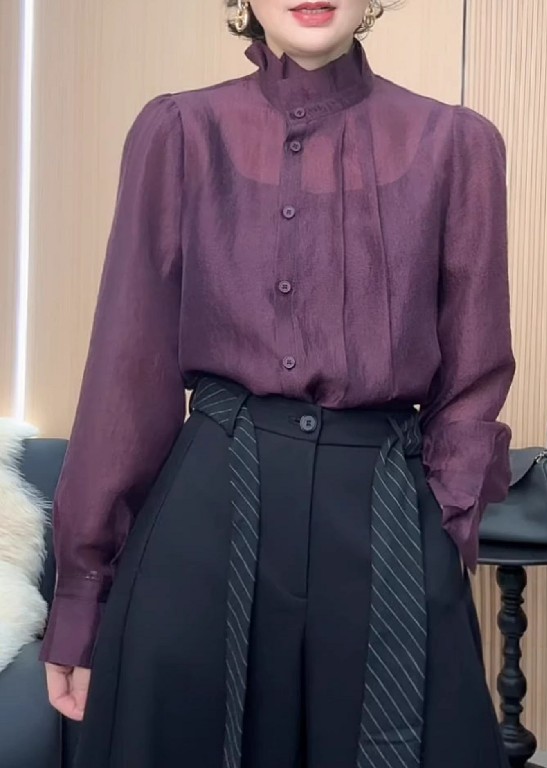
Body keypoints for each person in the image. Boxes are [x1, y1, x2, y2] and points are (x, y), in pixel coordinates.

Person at [41, 0, 516, 766]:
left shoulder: (457, 145)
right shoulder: (178, 133)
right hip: (205, 521)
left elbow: (474, 375)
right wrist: (79, 598)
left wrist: (440, 538)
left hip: (386, 524)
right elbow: (126, 376)